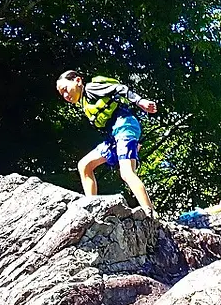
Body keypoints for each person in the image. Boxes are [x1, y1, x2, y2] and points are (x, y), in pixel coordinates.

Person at [56, 71, 157, 215]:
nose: (65, 95)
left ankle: (150, 213)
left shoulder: (90, 89)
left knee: (127, 172)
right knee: (84, 166)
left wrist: (140, 101)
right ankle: (91, 208)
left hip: (125, 127)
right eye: (62, 94)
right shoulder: (84, 102)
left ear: (78, 81)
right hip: (114, 137)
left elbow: (119, 88)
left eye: (65, 89)